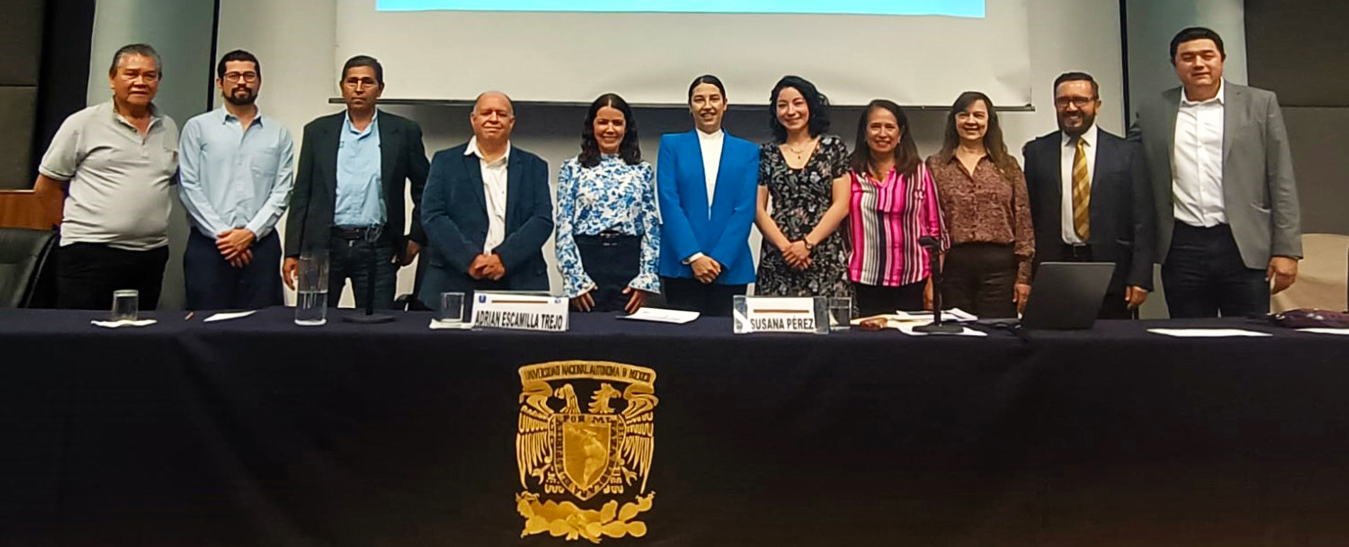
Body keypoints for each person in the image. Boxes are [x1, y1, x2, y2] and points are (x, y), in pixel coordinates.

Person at [1129, 27, 1301, 318]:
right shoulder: (1153, 110)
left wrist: (1287, 249)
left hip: (1243, 244)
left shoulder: (1259, 103)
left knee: (1250, 340)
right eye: (1188, 57)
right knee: (1191, 341)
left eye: (1207, 55)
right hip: (1182, 246)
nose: (1198, 64)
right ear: (1175, 65)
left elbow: (1281, 177)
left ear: (1222, 59)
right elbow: (1128, 165)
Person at [33, 44, 178, 310]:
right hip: (90, 253)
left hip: (150, 255)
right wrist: (75, 226)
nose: (140, 82)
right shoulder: (82, 123)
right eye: (131, 74)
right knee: (84, 338)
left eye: (150, 75)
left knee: (137, 338)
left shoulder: (168, 127)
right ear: (112, 78)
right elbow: (46, 187)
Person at [282, 55, 428, 310]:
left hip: (379, 248)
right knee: (312, 324)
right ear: (342, 86)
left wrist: (416, 237)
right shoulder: (318, 131)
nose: (358, 89)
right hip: (321, 247)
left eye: (367, 82)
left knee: (375, 330)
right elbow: (302, 194)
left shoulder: (403, 132)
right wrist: (293, 251)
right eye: (352, 82)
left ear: (380, 88)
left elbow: (424, 188)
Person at [1023, 72, 1155, 319]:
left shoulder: (1127, 152)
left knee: (1110, 347)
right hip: (1054, 267)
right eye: (1063, 101)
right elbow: (1029, 217)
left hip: (1112, 270)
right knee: (1058, 347)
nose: (1071, 108)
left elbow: (1143, 219)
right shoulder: (1037, 152)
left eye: (1080, 100)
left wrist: (1140, 276)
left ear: (1097, 104)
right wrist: (1025, 276)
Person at [177, 50, 294, 311]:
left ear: (259, 82)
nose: (242, 81)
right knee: (205, 328)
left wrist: (250, 233)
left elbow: (282, 190)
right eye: (234, 76)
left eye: (249, 76)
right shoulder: (197, 128)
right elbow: (188, 186)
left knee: (261, 329)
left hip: (260, 246)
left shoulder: (279, 133)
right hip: (209, 246)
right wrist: (226, 236)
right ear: (220, 83)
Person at [418, 92, 553, 306]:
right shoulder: (445, 162)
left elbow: (542, 220)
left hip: (518, 280)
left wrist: (503, 259)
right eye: (486, 113)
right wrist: (470, 259)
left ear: (512, 122)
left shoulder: (534, 166)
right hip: (455, 282)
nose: (493, 119)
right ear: (473, 119)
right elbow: (432, 216)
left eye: (501, 114)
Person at [656, 75, 760, 317]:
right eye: (699, 100)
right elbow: (669, 202)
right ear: (690, 107)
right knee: (682, 347)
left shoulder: (747, 151)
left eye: (714, 98)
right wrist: (694, 257)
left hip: (730, 267)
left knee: (727, 347)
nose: (707, 105)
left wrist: (720, 259)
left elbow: (745, 209)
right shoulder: (672, 145)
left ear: (725, 104)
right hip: (683, 267)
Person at [926, 91, 1033, 318]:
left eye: (978, 115)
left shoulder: (1007, 165)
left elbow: (1023, 220)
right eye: (964, 115)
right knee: (959, 342)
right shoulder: (936, 165)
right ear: (954, 120)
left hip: (1001, 270)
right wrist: (931, 277)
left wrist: (1024, 277)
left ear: (989, 121)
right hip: (954, 269)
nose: (971, 121)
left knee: (998, 339)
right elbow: (929, 223)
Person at [554, 93, 660, 314]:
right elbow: (563, 226)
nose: (609, 129)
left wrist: (646, 278)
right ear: (592, 126)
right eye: (603, 122)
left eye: (617, 123)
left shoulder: (642, 170)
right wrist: (575, 280)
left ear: (626, 128)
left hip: (628, 264)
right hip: (588, 264)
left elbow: (651, 228)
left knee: (629, 342)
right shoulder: (572, 168)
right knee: (585, 342)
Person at [753, 76, 852, 300]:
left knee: (831, 329)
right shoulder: (767, 152)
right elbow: (758, 209)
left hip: (823, 253)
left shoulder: (833, 147)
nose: (791, 111)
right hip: (779, 255)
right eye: (782, 105)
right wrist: (787, 248)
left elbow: (841, 205)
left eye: (798, 103)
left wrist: (807, 244)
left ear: (811, 106)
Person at [847, 99, 948, 317]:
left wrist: (933, 283)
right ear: (864, 133)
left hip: (913, 281)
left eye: (889, 127)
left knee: (908, 349)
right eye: (875, 126)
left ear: (900, 134)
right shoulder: (849, 173)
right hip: (863, 281)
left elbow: (936, 231)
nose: (882, 134)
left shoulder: (918, 172)